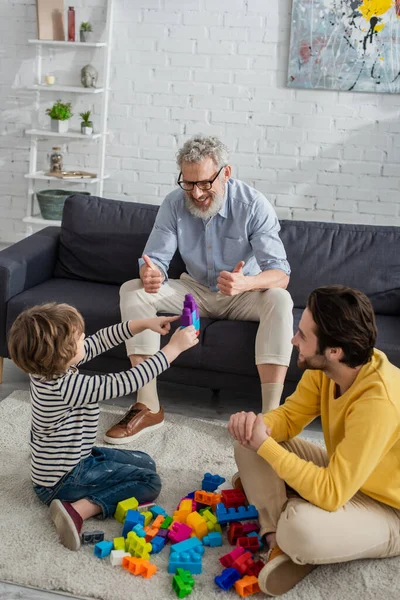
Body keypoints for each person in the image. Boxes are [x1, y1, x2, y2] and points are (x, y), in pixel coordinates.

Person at [104, 134, 293, 444]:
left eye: (205, 183)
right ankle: (148, 404)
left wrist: (247, 282)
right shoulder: (174, 203)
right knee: (133, 289)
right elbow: (155, 261)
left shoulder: (253, 205)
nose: (197, 192)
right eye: (189, 184)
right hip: (195, 291)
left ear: (226, 173)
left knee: (280, 299)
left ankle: (271, 418)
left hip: (244, 293)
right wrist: (150, 273)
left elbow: (280, 273)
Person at [228, 285, 400, 596]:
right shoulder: (329, 369)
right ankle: (276, 541)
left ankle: (289, 525)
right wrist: (258, 426)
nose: (294, 340)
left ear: (334, 350)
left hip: (389, 509)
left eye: (303, 335)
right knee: (247, 442)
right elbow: (291, 418)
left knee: (301, 528)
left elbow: (332, 492)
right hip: (347, 475)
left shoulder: (379, 402)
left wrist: (265, 447)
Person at [8, 302, 198, 551]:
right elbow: (129, 380)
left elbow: (99, 340)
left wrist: (143, 324)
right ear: (62, 353)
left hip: (71, 462)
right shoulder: (67, 388)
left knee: (146, 462)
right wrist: (174, 348)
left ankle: (75, 499)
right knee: (149, 482)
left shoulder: (46, 369)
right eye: (78, 338)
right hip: (64, 480)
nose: (85, 339)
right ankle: (77, 509)